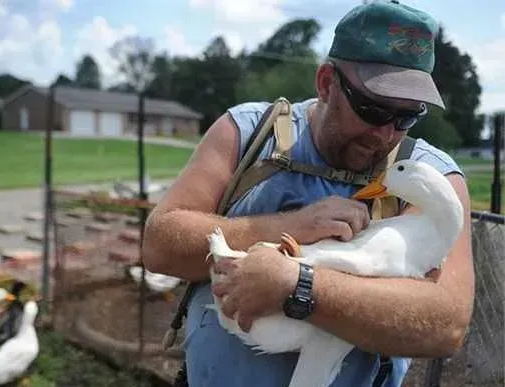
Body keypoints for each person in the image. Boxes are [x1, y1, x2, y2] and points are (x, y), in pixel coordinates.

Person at [142, 1, 475, 386]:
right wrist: (291, 226)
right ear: (326, 83)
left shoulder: (429, 174)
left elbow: (445, 322)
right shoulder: (248, 133)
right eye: (372, 109)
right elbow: (159, 245)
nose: (386, 133)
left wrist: (297, 285)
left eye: (407, 116)